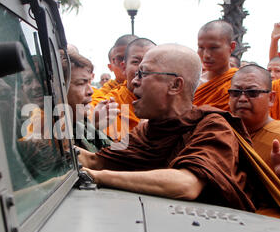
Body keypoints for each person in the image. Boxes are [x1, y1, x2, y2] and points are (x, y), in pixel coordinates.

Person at [78, 43, 264, 212]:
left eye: (143, 74)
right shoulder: (148, 130)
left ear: (175, 85)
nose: (133, 82)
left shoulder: (212, 127)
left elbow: (186, 184)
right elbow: (95, 161)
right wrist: (53, 145)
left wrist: (98, 177)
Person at [91, 38, 156, 141]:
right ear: (124, 67)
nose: (143, 68)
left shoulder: (172, 100)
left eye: (151, 62)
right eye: (136, 62)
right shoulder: (111, 103)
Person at [62, 51, 118, 152]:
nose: (91, 91)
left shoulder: (81, 122)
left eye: (89, 82)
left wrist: (95, 125)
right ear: (58, 88)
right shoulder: (47, 136)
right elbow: (94, 162)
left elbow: (113, 152)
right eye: (80, 83)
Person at [228, 64, 280, 169]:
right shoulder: (220, 133)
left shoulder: (277, 135)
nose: (242, 98)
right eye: (235, 92)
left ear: (271, 98)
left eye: (252, 92)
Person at [193, 20, 237, 111]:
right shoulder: (192, 84)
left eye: (213, 48)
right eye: (201, 48)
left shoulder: (240, 83)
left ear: (232, 47)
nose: (206, 55)